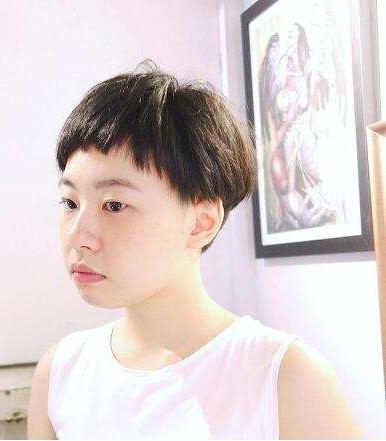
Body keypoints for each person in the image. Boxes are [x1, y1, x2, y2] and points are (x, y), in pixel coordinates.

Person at [27, 60, 361, 440]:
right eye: (70, 203)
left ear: (201, 222)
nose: (78, 235)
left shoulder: (286, 377)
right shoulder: (60, 372)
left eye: (114, 205)